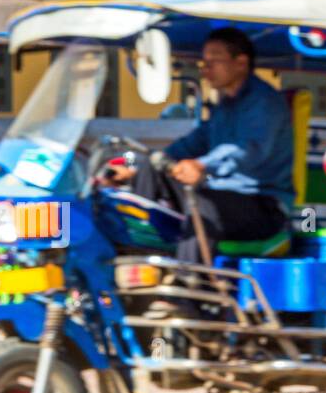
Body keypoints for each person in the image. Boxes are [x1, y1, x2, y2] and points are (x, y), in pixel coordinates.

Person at [106, 26, 295, 261]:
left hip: (263, 206)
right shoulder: (224, 106)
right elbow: (195, 141)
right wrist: (143, 167)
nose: (206, 71)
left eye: (213, 62)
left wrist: (202, 166)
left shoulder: (265, 103)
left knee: (204, 206)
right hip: (222, 193)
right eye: (203, 63)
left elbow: (249, 151)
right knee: (151, 169)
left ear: (241, 62)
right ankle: (139, 252)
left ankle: (186, 288)